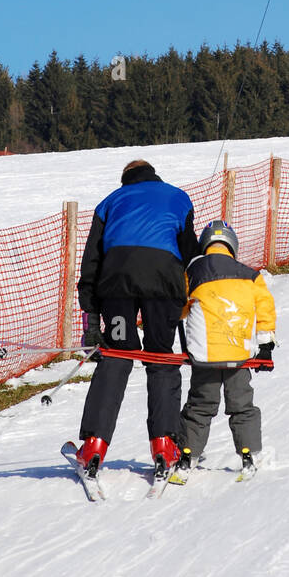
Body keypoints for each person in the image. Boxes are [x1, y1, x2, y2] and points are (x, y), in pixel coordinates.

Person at [74, 159, 199, 480]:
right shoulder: (179, 197)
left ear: (125, 180)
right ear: (153, 176)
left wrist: (91, 319)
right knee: (160, 356)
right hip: (164, 282)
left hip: (117, 283)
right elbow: (191, 254)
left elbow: (92, 262)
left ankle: (94, 445)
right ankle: (165, 443)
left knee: (117, 354)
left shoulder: (110, 202)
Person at [169, 219, 276, 483]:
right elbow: (265, 311)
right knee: (242, 405)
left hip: (205, 355)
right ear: (232, 245)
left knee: (200, 406)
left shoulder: (193, 272)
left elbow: (180, 306)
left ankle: (188, 454)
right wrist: (265, 347)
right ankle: (250, 453)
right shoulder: (251, 274)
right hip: (239, 354)